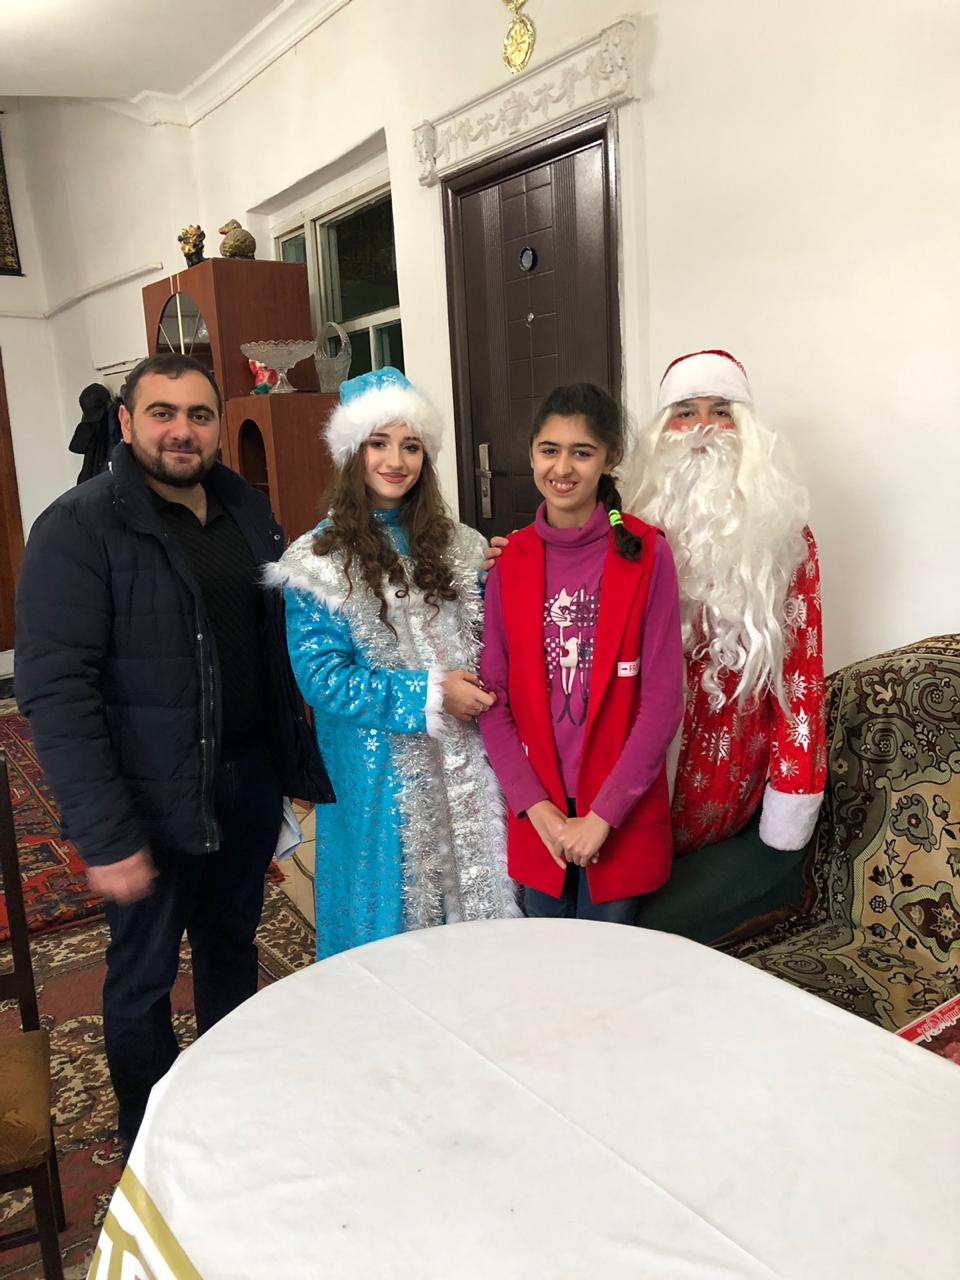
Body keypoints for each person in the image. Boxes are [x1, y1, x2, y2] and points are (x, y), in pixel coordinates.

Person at [15, 352, 332, 1155]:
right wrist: (106, 834)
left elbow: (266, 647)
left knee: (231, 946)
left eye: (198, 414)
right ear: (126, 423)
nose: (181, 430)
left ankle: (228, 1110)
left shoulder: (247, 513)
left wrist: (284, 765)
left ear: (218, 427)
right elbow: (56, 693)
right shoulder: (78, 528)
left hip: (245, 782)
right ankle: (152, 1140)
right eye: (162, 413)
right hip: (148, 800)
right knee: (144, 975)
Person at [267, 366, 519, 959]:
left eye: (410, 446)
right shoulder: (317, 560)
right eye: (379, 443)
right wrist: (429, 694)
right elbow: (323, 679)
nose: (396, 460)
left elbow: (489, 639)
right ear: (353, 452)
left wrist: (509, 576)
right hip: (377, 777)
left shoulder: (461, 543)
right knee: (387, 921)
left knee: (477, 902)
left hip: (466, 761)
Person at [478, 383, 685, 922]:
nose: (562, 468)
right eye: (549, 450)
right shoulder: (509, 561)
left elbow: (662, 704)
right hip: (538, 815)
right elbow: (493, 702)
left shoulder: (646, 554)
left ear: (609, 459)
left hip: (618, 818)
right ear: (531, 454)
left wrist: (602, 818)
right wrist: (537, 809)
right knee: (543, 963)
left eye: (582, 452)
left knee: (610, 965)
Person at [628, 349, 827, 854]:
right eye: (685, 412)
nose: (703, 427)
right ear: (662, 432)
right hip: (629, 786)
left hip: (728, 788)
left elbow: (800, 676)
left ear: (746, 430)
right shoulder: (628, 525)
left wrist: (793, 794)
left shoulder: (786, 537)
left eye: (721, 411)